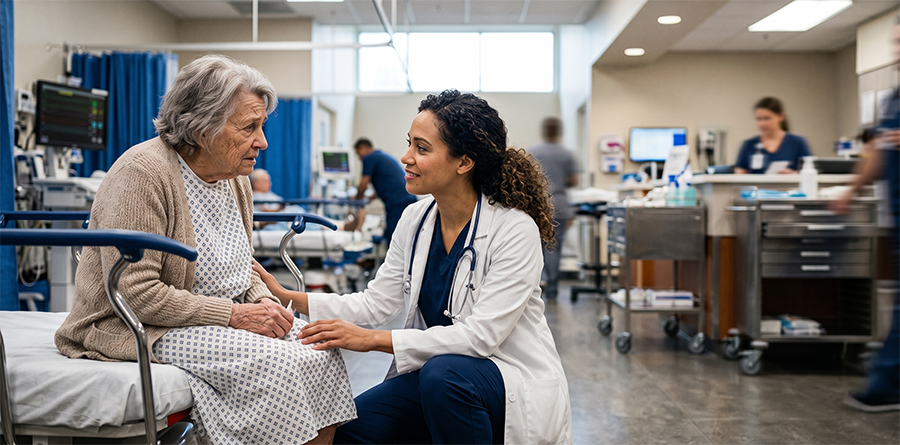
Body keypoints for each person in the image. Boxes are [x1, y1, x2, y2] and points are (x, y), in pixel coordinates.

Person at [54, 55, 356, 444]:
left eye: (261, 126)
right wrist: (235, 315)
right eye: (249, 127)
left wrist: (263, 302)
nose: (262, 142)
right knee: (276, 365)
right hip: (139, 325)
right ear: (201, 128)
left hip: (216, 317)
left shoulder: (235, 178)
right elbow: (136, 294)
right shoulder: (142, 174)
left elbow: (239, 265)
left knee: (320, 350)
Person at [254, 90, 573, 444]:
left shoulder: (513, 229)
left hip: (505, 377)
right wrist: (289, 297)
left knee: (443, 375)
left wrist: (372, 340)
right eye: (409, 144)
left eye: (422, 148)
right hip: (440, 376)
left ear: (463, 162)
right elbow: (378, 302)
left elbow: (481, 337)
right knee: (353, 431)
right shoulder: (416, 218)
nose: (405, 157)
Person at [833, 21, 900, 413]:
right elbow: (878, 151)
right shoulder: (893, 99)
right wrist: (852, 189)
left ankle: (885, 381)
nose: (896, 47)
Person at [528, 117, 578, 301]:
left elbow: (528, 178)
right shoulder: (566, 154)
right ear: (558, 131)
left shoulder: (534, 151)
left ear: (544, 131)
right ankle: (553, 289)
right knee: (554, 249)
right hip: (560, 204)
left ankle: (537, 285)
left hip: (538, 205)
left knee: (536, 248)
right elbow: (574, 180)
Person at [352, 138, 417, 244]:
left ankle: (394, 261)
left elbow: (363, 183)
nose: (359, 157)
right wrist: (368, 198)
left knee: (394, 237)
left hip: (397, 202)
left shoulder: (369, 157)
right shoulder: (381, 156)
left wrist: (356, 200)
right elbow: (386, 185)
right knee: (402, 235)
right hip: (406, 198)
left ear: (363, 148)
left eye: (358, 153)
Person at [734, 97, 812, 174]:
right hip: (757, 186)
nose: (762, 124)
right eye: (758, 119)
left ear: (781, 117)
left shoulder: (797, 142)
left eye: (767, 118)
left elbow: (810, 170)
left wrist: (794, 174)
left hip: (789, 186)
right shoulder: (748, 144)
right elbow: (740, 170)